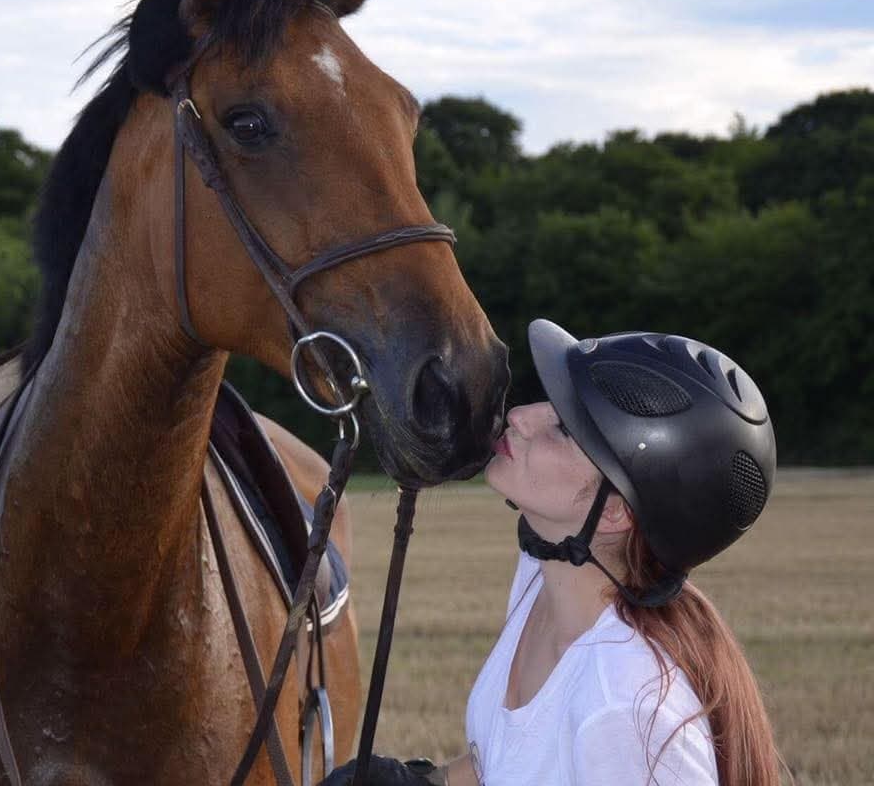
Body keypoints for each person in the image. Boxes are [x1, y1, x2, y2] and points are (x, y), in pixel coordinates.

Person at [323, 320, 784, 786]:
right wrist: (427, 781)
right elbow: (515, 759)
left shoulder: (622, 708)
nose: (522, 415)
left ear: (615, 512)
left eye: (563, 428)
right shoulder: (542, 576)